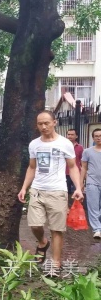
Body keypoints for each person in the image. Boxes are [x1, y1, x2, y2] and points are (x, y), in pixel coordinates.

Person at [17, 111, 83, 271]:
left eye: (47, 123)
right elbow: (32, 167)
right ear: (37, 125)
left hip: (58, 190)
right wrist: (24, 187)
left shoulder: (65, 143)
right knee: (34, 225)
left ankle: (55, 264)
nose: (43, 126)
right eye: (40, 123)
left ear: (55, 122)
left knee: (57, 229)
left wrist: (79, 188)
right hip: (37, 190)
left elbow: (73, 167)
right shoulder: (34, 144)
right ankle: (42, 242)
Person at [81, 128, 101, 239]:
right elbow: (83, 168)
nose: (99, 138)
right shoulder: (87, 151)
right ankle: (97, 229)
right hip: (92, 182)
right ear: (93, 138)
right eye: (96, 136)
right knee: (93, 207)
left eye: (100, 135)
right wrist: (80, 183)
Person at [65, 129, 84, 198]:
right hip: (65, 173)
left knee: (77, 192)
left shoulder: (80, 147)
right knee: (66, 193)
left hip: (76, 174)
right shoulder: (63, 147)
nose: (70, 136)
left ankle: (76, 208)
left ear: (76, 136)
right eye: (68, 134)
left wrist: (83, 174)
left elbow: (82, 162)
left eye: (72, 134)